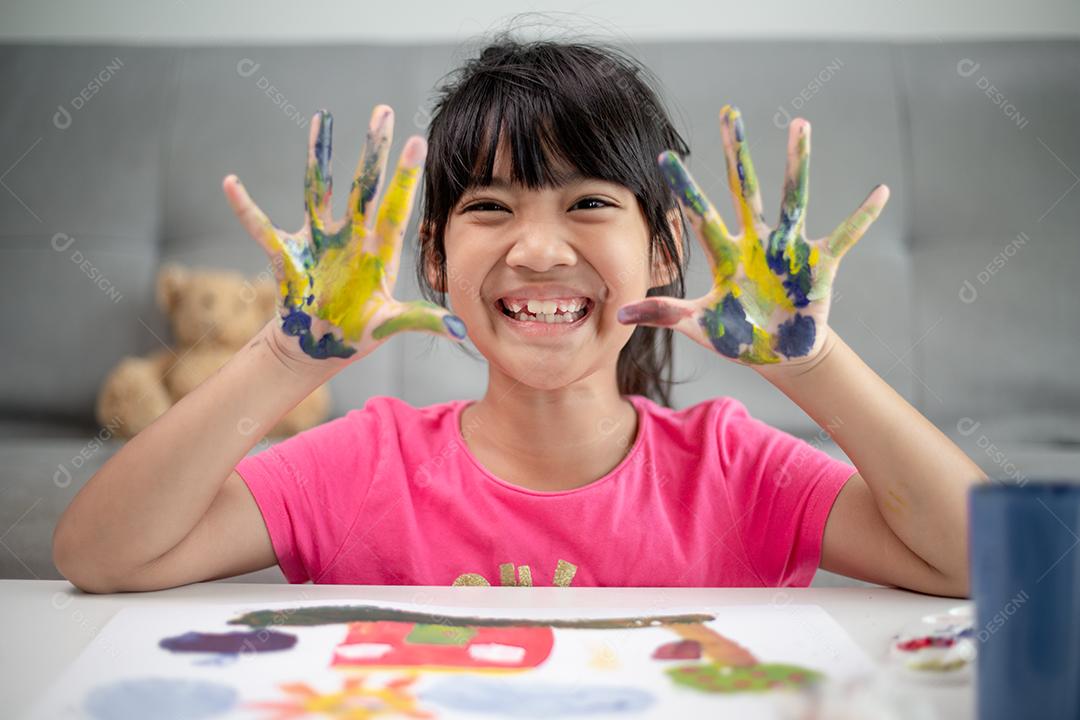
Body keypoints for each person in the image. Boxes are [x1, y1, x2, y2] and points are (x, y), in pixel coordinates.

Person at [53, 34, 986, 595]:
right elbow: (102, 557)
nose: (538, 249)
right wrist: (287, 358)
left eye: (588, 204)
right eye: (490, 209)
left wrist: (810, 364)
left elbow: (988, 565)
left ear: (665, 253)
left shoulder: (733, 473)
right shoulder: (364, 465)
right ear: (432, 259)